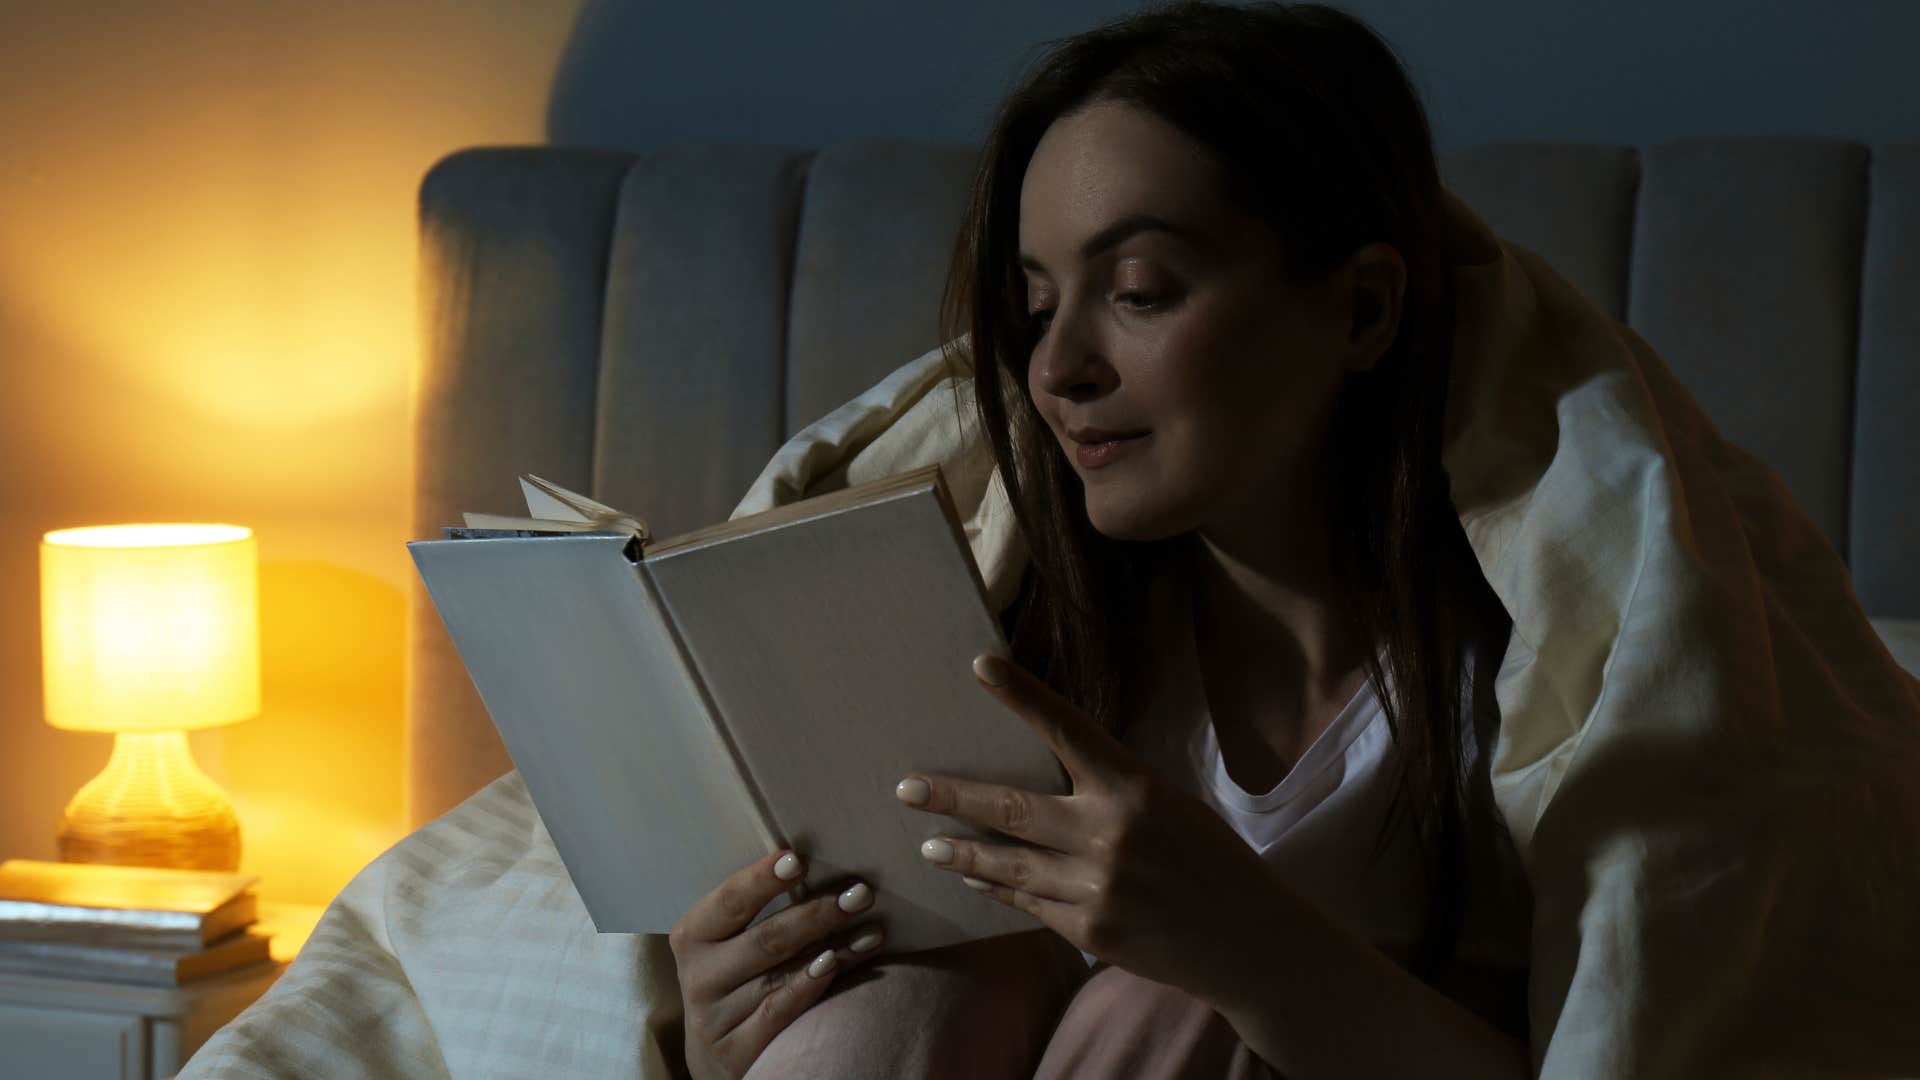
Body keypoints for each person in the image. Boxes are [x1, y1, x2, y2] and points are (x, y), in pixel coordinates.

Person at [666, 4, 1539, 1077]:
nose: (1055, 369)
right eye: (1036, 309)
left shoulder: (1523, 694)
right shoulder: (1006, 640)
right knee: (904, 986)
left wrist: (1250, 950)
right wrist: (723, 1048)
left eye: (1138, 292)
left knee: (1171, 1006)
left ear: (1361, 309)